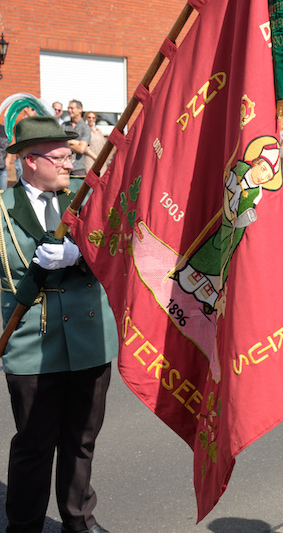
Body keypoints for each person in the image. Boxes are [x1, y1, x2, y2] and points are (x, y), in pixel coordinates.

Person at [2, 116, 117, 533]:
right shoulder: (3, 208)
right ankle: (24, 526)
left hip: (90, 338)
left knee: (81, 441)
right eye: (61, 157)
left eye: (70, 155)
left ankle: (78, 520)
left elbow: (119, 248)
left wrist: (80, 255)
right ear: (30, 160)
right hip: (32, 343)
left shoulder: (86, 198)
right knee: (34, 445)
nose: (71, 163)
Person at [62, 100, 91, 178]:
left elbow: (81, 149)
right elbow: (58, 143)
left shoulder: (85, 127)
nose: (69, 110)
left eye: (72, 108)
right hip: (63, 166)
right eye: (68, 108)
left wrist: (66, 142)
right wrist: (76, 142)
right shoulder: (64, 126)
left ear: (80, 109)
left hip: (78, 168)